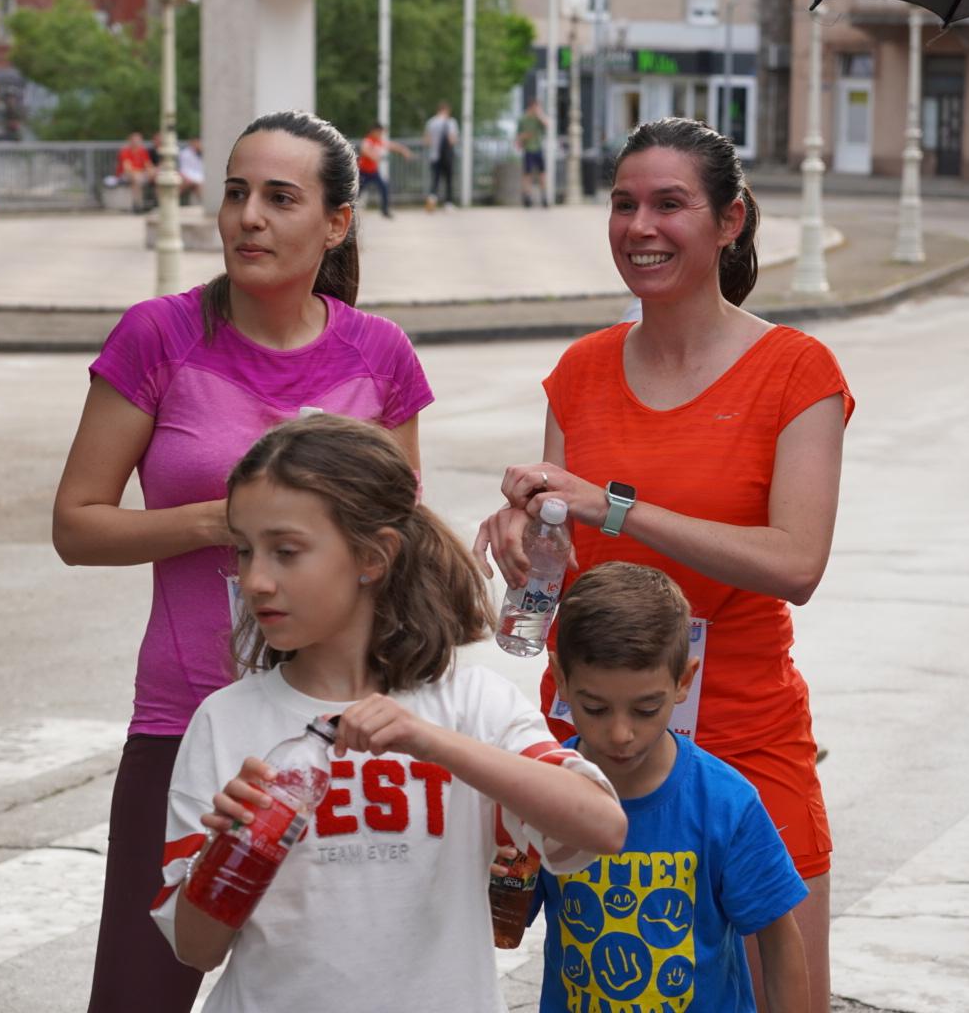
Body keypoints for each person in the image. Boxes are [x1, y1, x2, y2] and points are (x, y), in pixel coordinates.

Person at [53, 110, 437, 1013]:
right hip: (185, 725)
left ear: (336, 223)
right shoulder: (159, 336)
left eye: (278, 197)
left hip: (342, 735)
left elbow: (398, 550)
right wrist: (224, 523)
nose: (248, 218)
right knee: (140, 996)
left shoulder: (379, 354)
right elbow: (78, 525)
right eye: (234, 193)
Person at [474, 116, 852, 1013]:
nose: (640, 226)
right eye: (623, 204)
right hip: (600, 734)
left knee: (781, 994)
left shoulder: (797, 372)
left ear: (730, 220)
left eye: (669, 204)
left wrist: (614, 503)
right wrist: (531, 545)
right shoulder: (582, 371)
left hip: (747, 732)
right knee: (617, 989)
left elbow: (797, 562)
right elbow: (568, 562)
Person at [152, 414, 628, 1012]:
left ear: (373, 557)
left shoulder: (470, 704)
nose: (255, 580)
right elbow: (196, 948)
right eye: (245, 551)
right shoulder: (225, 720)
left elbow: (602, 826)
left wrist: (432, 743)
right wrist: (232, 851)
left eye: (286, 551)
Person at [529, 561, 808, 1013]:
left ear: (683, 682)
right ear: (562, 680)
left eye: (645, 709)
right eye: (596, 708)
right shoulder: (542, 789)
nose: (621, 734)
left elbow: (778, 940)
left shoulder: (724, 802)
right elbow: (503, 920)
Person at [356, 122, 412, 218]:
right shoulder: (368, 140)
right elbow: (364, 150)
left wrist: (404, 150)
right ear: (374, 131)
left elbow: (392, 146)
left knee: (384, 187)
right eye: (379, 132)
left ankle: (385, 210)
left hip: (373, 172)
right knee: (357, 192)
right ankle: (349, 209)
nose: (380, 135)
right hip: (363, 171)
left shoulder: (379, 141)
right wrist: (373, 156)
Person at [423, 100, 460, 210]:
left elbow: (427, 141)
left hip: (434, 155)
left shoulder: (430, 122)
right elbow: (452, 140)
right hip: (447, 157)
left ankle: (432, 199)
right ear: (447, 110)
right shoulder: (451, 122)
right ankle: (448, 203)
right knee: (448, 180)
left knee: (435, 179)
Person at [516, 98, 550, 207]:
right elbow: (518, 136)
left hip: (538, 149)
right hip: (528, 149)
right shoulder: (523, 119)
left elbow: (547, 125)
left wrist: (539, 115)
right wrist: (524, 137)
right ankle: (527, 197)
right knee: (527, 175)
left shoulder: (539, 118)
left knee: (542, 174)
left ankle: (544, 197)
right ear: (531, 107)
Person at [116, 130, 154, 212]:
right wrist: (143, 172)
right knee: (136, 178)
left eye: (138, 140)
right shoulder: (125, 152)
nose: (137, 142)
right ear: (130, 141)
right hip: (125, 175)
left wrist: (151, 172)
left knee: (156, 176)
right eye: (135, 140)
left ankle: (156, 203)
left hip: (140, 174)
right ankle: (138, 204)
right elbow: (127, 169)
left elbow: (148, 165)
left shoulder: (143, 151)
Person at [177, 137, 204, 204]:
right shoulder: (185, 154)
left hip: (198, 178)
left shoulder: (202, 154)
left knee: (199, 186)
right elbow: (183, 170)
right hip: (188, 178)